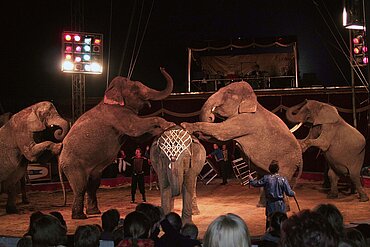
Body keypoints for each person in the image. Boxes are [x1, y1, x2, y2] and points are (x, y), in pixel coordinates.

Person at [248, 160, 295, 230]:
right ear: (278, 169)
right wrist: (293, 193)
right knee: (281, 222)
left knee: (270, 223)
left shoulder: (266, 178)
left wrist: (251, 179)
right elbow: (289, 193)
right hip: (280, 205)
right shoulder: (283, 179)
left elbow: (256, 184)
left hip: (270, 205)